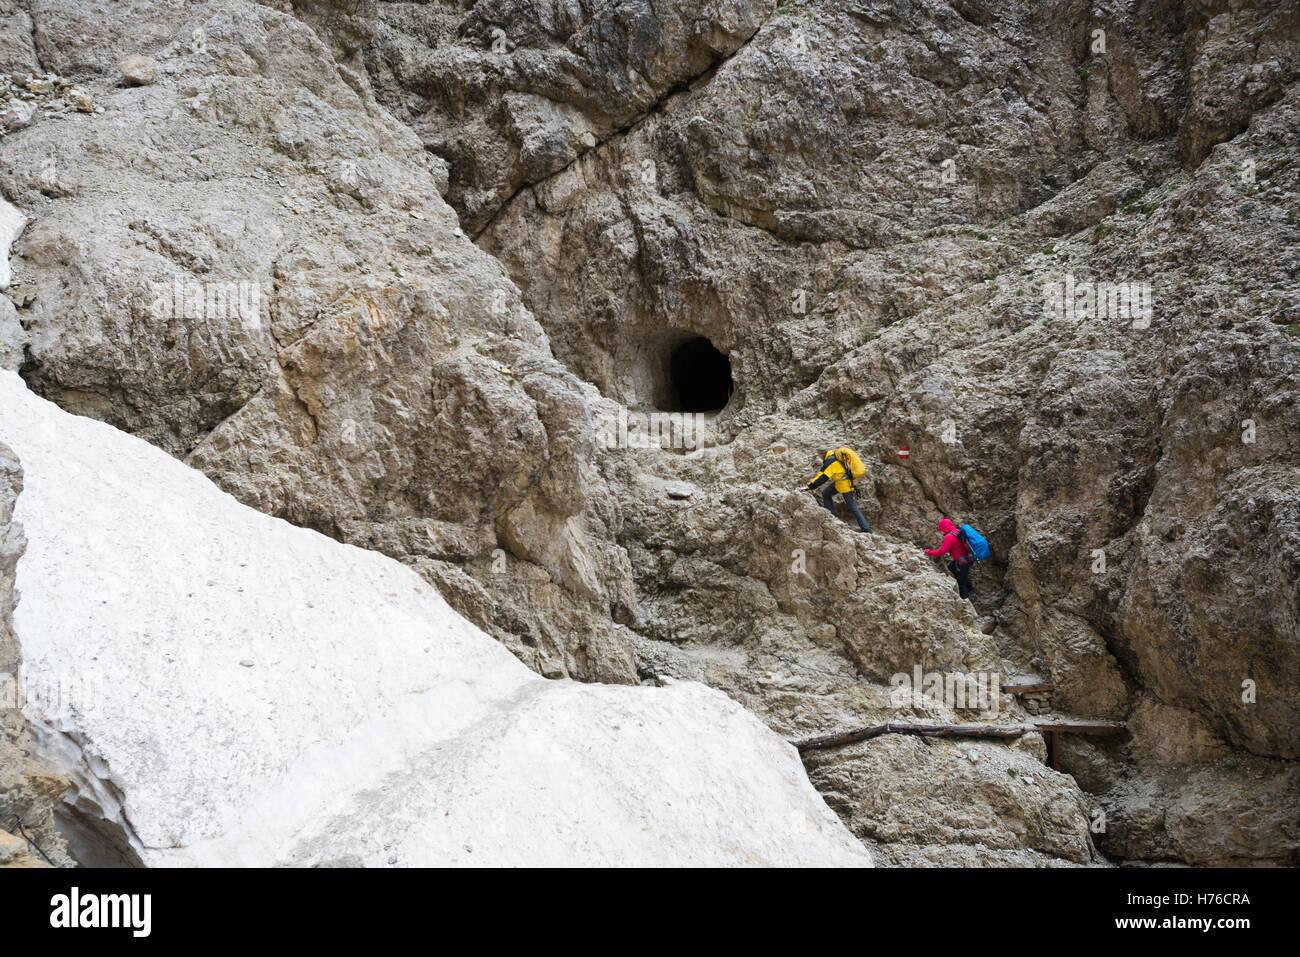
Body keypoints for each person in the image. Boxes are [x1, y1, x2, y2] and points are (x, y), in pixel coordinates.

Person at [804, 449, 872, 533]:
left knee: (853, 507)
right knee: (826, 493)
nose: (818, 456)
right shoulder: (834, 457)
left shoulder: (830, 461)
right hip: (842, 483)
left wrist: (808, 487)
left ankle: (866, 529)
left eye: (818, 455)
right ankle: (833, 517)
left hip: (844, 486)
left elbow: (822, 477)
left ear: (821, 454)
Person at [925, 519, 973, 600]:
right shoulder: (957, 531)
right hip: (969, 558)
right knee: (951, 567)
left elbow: (941, 551)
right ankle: (970, 586)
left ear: (944, 528)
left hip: (962, 562)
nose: (942, 531)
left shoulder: (949, 537)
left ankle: (965, 600)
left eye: (942, 529)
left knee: (961, 583)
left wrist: (929, 551)